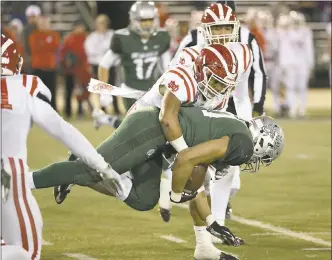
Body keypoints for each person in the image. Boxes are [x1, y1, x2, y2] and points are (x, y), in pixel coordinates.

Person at [0, 33, 124, 260]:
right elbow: (61, 130)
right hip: (6, 173)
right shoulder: (22, 87)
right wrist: (101, 165)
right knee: (28, 252)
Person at [95, 1, 171, 120]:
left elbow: (168, 68)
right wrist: (104, 91)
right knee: (138, 127)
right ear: (134, 20)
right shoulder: (123, 38)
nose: (147, 24)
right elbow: (104, 65)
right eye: (143, 20)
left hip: (153, 92)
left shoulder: (161, 37)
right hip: (131, 92)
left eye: (150, 20)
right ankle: (109, 121)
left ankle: (108, 121)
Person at [60, 20, 92, 118]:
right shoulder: (69, 39)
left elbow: (90, 53)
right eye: (77, 27)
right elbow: (63, 53)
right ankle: (69, 112)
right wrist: (67, 61)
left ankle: (81, 110)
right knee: (71, 91)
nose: (79, 29)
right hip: (72, 70)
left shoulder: (87, 38)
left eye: (81, 27)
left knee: (84, 91)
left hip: (84, 69)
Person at [29, 16, 60, 111]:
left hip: (50, 67)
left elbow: (54, 47)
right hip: (38, 67)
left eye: (45, 23)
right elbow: (35, 48)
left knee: (51, 90)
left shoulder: (54, 35)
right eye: (41, 23)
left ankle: (52, 110)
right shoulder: (34, 35)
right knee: (38, 91)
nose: (43, 25)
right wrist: (46, 45)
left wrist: (43, 44)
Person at [22, 5, 41, 74]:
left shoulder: (43, 29)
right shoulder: (25, 30)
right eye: (30, 17)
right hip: (30, 60)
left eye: (34, 17)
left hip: (42, 60)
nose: (32, 19)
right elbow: (24, 45)